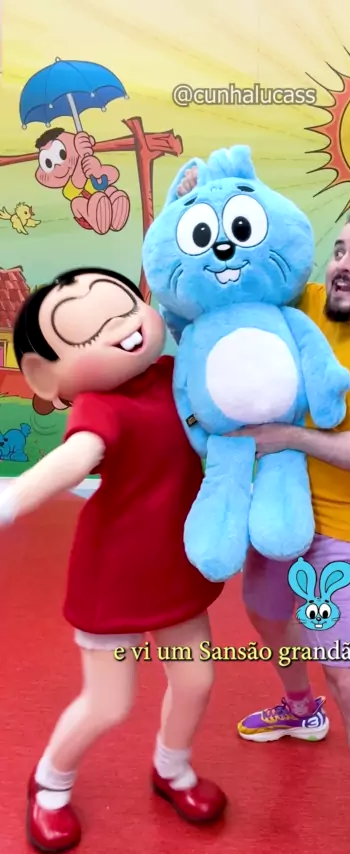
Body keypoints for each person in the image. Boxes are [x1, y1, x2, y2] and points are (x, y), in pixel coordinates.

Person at [178, 169, 350, 854]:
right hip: (276, 510)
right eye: (340, 250)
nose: (343, 264)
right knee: (265, 613)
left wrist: (292, 438)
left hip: (344, 534)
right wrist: (194, 192)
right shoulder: (308, 304)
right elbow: (230, 266)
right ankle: (299, 708)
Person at [0, 267, 226, 852]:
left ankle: (172, 767)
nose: (122, 329)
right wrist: (12, 500)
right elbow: (76, 459)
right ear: (44, 375)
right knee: (109, 702)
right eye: (87, 331)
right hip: (115, 574)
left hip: (178, 565)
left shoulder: (173, 376)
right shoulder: (100, 408)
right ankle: (50, 782)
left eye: (124, 308)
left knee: (196, 679)